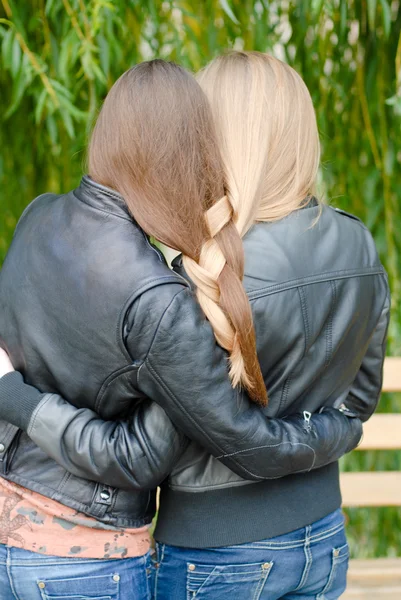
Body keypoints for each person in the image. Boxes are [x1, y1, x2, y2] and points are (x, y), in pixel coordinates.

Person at [0, 59, 362, 600]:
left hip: (39, 534)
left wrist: (15, 397)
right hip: (108, 557)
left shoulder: (42, 218)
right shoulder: (170, 297)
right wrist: (337, 429)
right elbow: (146, 454)